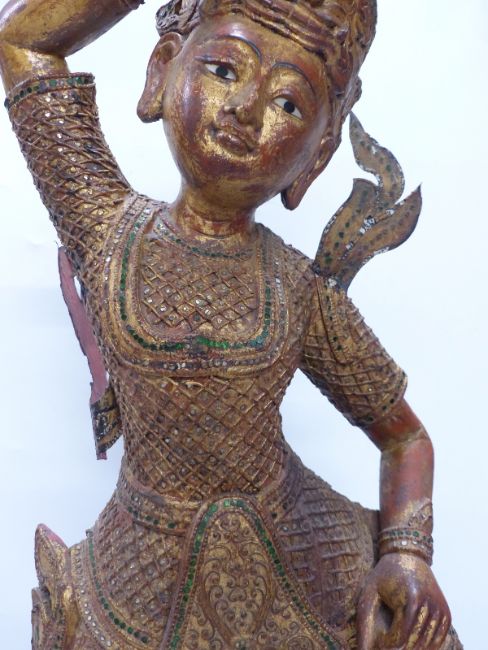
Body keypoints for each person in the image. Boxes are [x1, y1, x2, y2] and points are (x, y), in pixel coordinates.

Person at [0, 0, 462, 648]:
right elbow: (23, 42)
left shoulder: (296, 289)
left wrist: (407, 553)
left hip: (303, 557)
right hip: (134, 576)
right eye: (223, 70)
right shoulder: (107, 232)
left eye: (288, 104)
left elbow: (405, 437)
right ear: (163, 70)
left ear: (317, 155)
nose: (246, 109)